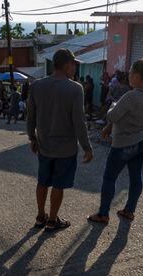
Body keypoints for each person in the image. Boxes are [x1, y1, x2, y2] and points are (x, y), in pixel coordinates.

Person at [27, 48, 93, 232]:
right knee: (58, 185)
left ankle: (41, 216)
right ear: (66, 65)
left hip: (44, 146)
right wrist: (87, 147)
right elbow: (79, 122)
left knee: (42, 181)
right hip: (66, 149)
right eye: (73, 64)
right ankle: (52, 220)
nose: (75, 68)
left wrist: (32, 137)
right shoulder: (75, 88)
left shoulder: (37, 86)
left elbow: (30, 115)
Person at [88, 57, 143, 224]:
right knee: (136, 176)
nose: (128, 76)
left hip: (125, 143)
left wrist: (113, 105)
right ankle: (129, 210)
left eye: (131, 73)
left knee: (109, 177)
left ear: (137, 76)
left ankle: (103, 213)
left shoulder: (131, 96)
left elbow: (112, 115)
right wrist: (109, 127)